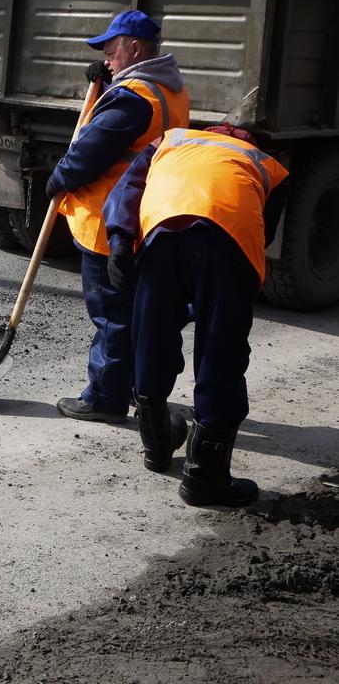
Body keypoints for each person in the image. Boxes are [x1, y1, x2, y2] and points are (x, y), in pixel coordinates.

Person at [103, 124, 289, 506]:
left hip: (161, 234)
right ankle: (205, 478)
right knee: (221, 352)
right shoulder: (267, 165)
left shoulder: (170, 139)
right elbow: (263, 230)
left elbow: (128, 188)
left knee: (151, 337)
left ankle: (156, 448)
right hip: (229, 239)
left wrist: (120, 240)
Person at [45, 10, 189, 424]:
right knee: (135, 313)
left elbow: (90, 151)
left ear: (135, 49)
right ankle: (134, 388)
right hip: (145, 219)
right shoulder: (168, 90)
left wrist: (58, 179)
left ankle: (105, 397)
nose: (107, 57)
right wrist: (107, 83)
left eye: (112, 51)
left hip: (109, 224)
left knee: (111, 314)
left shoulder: (132, 99)